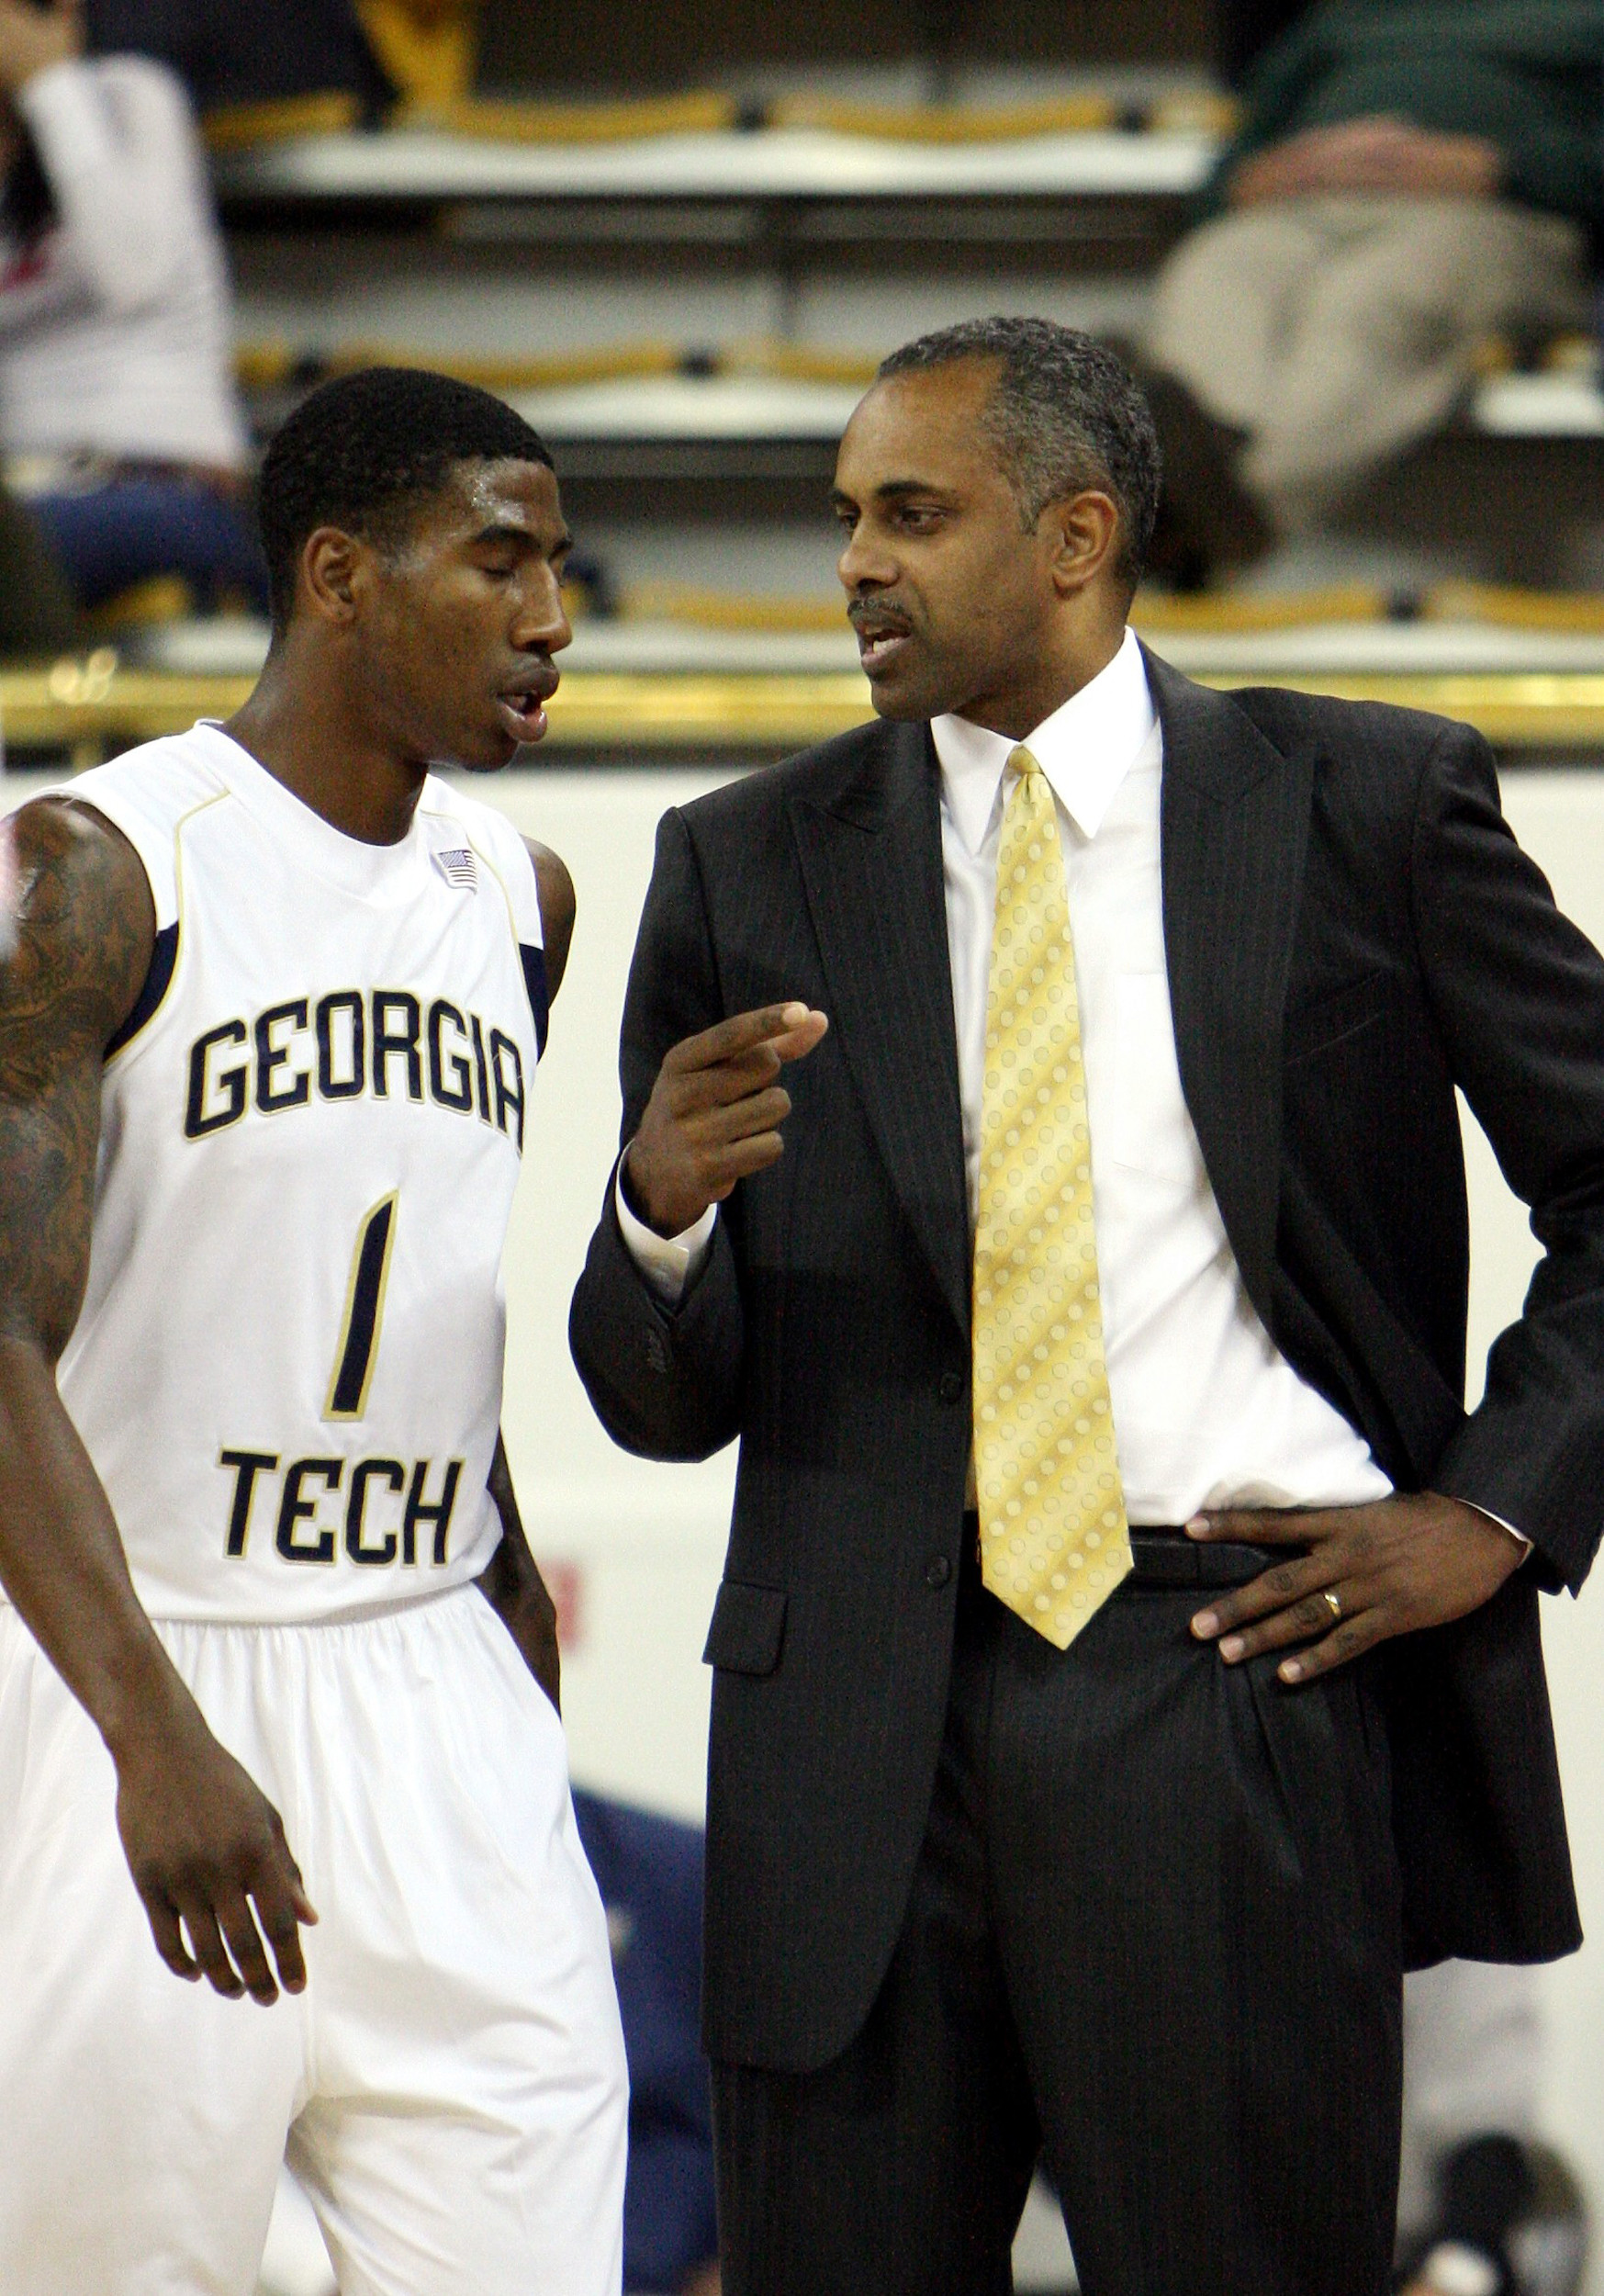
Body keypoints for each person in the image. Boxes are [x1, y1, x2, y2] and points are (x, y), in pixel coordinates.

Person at [568, 314, 1604, 2296]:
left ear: (1076, 535)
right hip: (852, 1716)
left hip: (1226, 1659)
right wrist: (658, 1217)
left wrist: (1487, 1507)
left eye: (910, 512)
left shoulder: (1363, 805)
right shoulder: (743, 859)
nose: (855, 561)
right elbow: (658, 1396)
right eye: (845, 518)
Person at [0, 364, 627, 2293]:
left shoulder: (519, 898)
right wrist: (149, 1731)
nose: (551, 617)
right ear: (340, 574)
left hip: (428, 1675)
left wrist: (503, 1613)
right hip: (141, 1660)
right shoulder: (101, 865)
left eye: (563, 568)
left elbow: (416, 1270)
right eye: (499, 560)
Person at [1139, 0, 1604, 553]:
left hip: (1491, 218)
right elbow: (1223, 180)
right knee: (1216, 270)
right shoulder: (1336, 22)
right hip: (1296, 210)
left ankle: (1194, 518)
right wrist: (1272, 175)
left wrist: (1499, 168)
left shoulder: (1586, 23)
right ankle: (1207, 497)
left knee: (1376, 299)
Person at [0, 0, 266, 615]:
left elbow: (129, 271)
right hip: (23, 503)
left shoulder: (132, 97)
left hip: (164, 489)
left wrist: (48, 81)